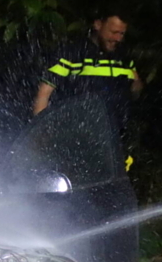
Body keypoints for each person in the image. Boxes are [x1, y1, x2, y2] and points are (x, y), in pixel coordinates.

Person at [32, 12, 144, 169]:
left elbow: (135, 87)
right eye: (113, 32)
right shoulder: (74, 52)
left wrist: (135, 86)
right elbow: (44, 92)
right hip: (75, 139)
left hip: (114, 141)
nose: (117, 38)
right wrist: (39, 131)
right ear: (98, 25)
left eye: (121, 34)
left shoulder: (123, 56)